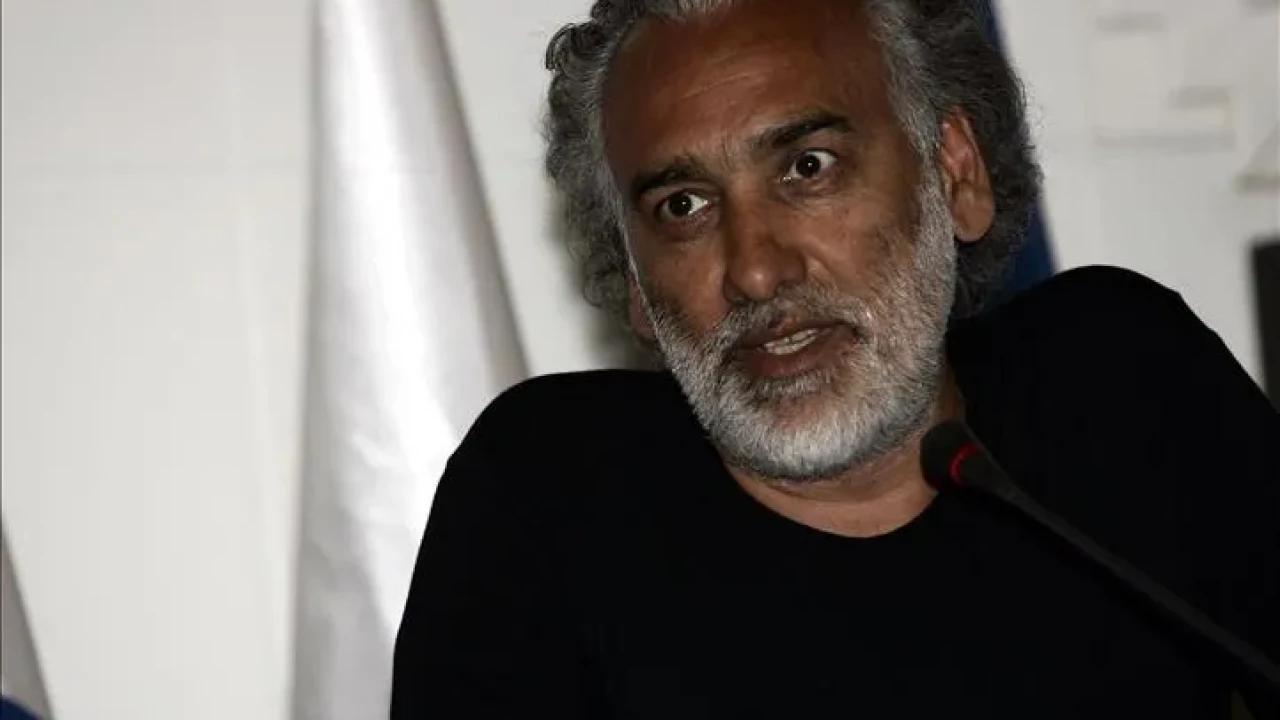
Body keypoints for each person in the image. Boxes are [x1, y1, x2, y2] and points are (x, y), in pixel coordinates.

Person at [391, 0, 1280, 717]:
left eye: (808, 167)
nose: (755, 269)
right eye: (683, 207)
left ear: (953, 173)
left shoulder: (1121, 381)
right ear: (636, 284)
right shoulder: (551, 497)